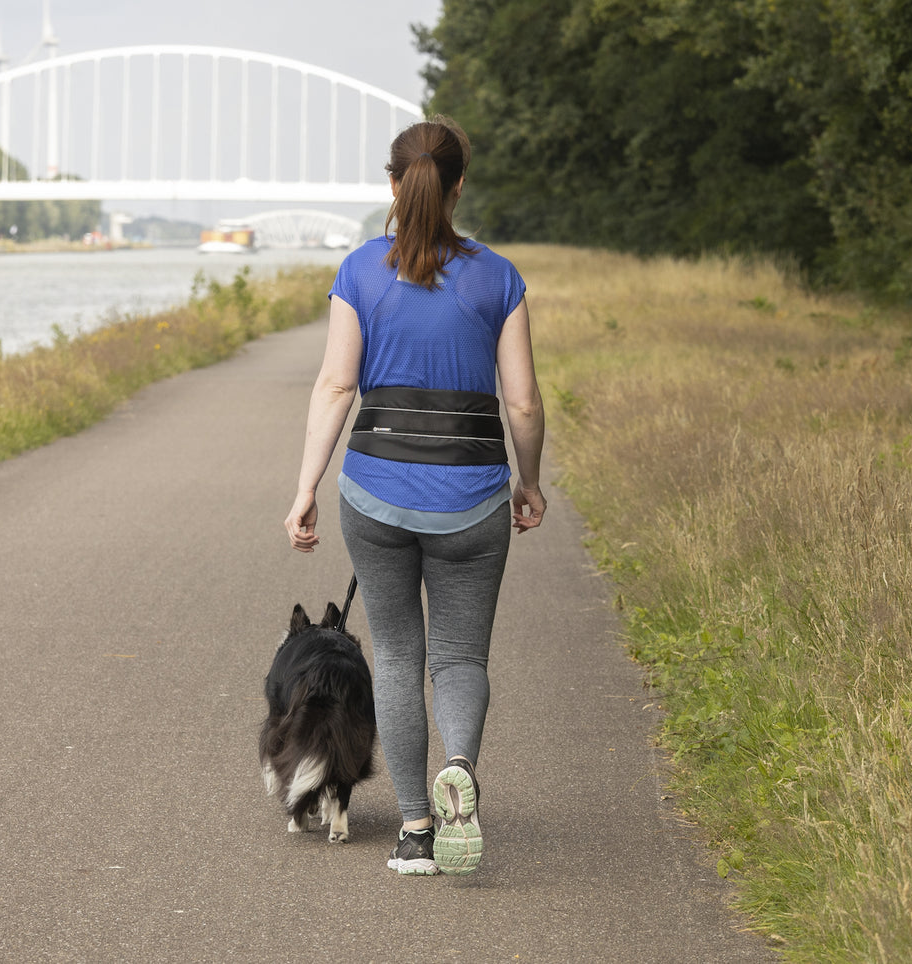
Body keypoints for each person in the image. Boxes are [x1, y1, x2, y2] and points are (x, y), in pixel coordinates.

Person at [283, 116, 546, 877]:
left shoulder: (361, 272)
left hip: (375, 493)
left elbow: (336, 384)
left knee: (397, 657)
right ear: (459, 185)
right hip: (472, 497)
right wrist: (526, 482)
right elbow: (522, 404)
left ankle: (413, 831)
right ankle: (457, 764)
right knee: (460, 658)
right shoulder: (498, 278)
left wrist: (305, 488)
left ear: (392, 185)